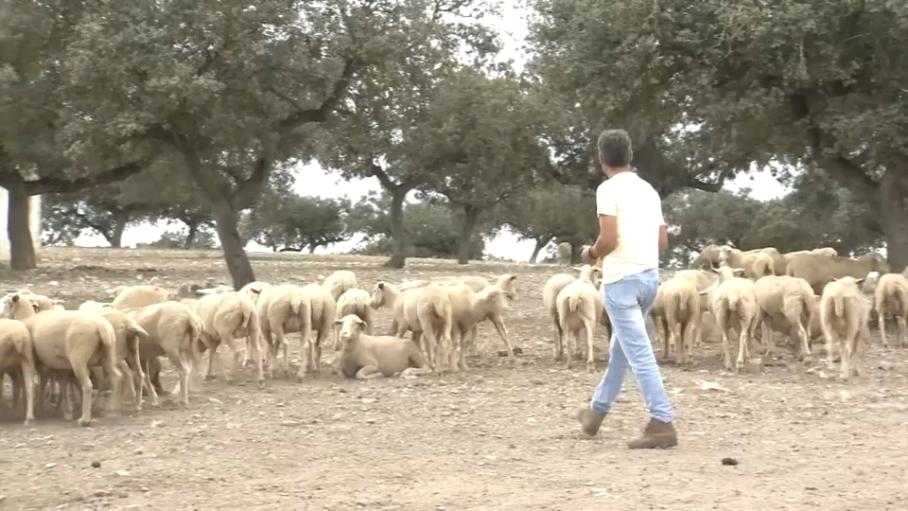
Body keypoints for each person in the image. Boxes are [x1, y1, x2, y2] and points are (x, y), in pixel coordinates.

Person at [576, 129, 677, 449]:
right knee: (623, 349)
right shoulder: (649, 190)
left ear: (601, 158)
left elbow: (608, 239)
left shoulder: (608, 190)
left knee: (639, 353)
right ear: (630, 156)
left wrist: (590, 255)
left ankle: (662, 421)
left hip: (621, 282)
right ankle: (595, 413)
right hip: (649, 280)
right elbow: (662, 241)